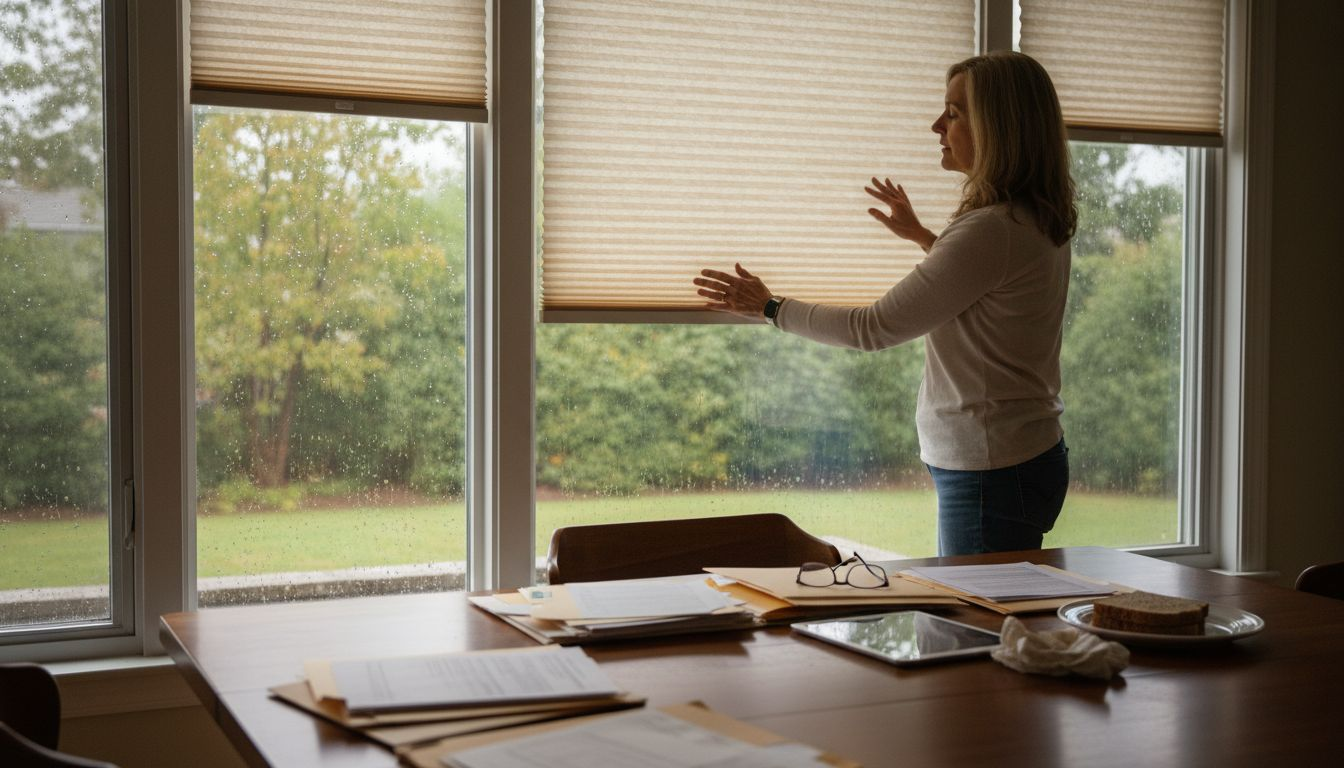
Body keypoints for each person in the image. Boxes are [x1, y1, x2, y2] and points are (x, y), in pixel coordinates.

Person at [692, 51, 1075, 556]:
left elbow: (871, 328)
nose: (937, 125)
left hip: (992, 469)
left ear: (997, 128)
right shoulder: (1032, 217)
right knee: (989, 617)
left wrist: (769, 306)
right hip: (1019, 456)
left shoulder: (991, 229)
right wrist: (925, 238)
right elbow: (989, 292)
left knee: (973, 623)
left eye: (955, 113)